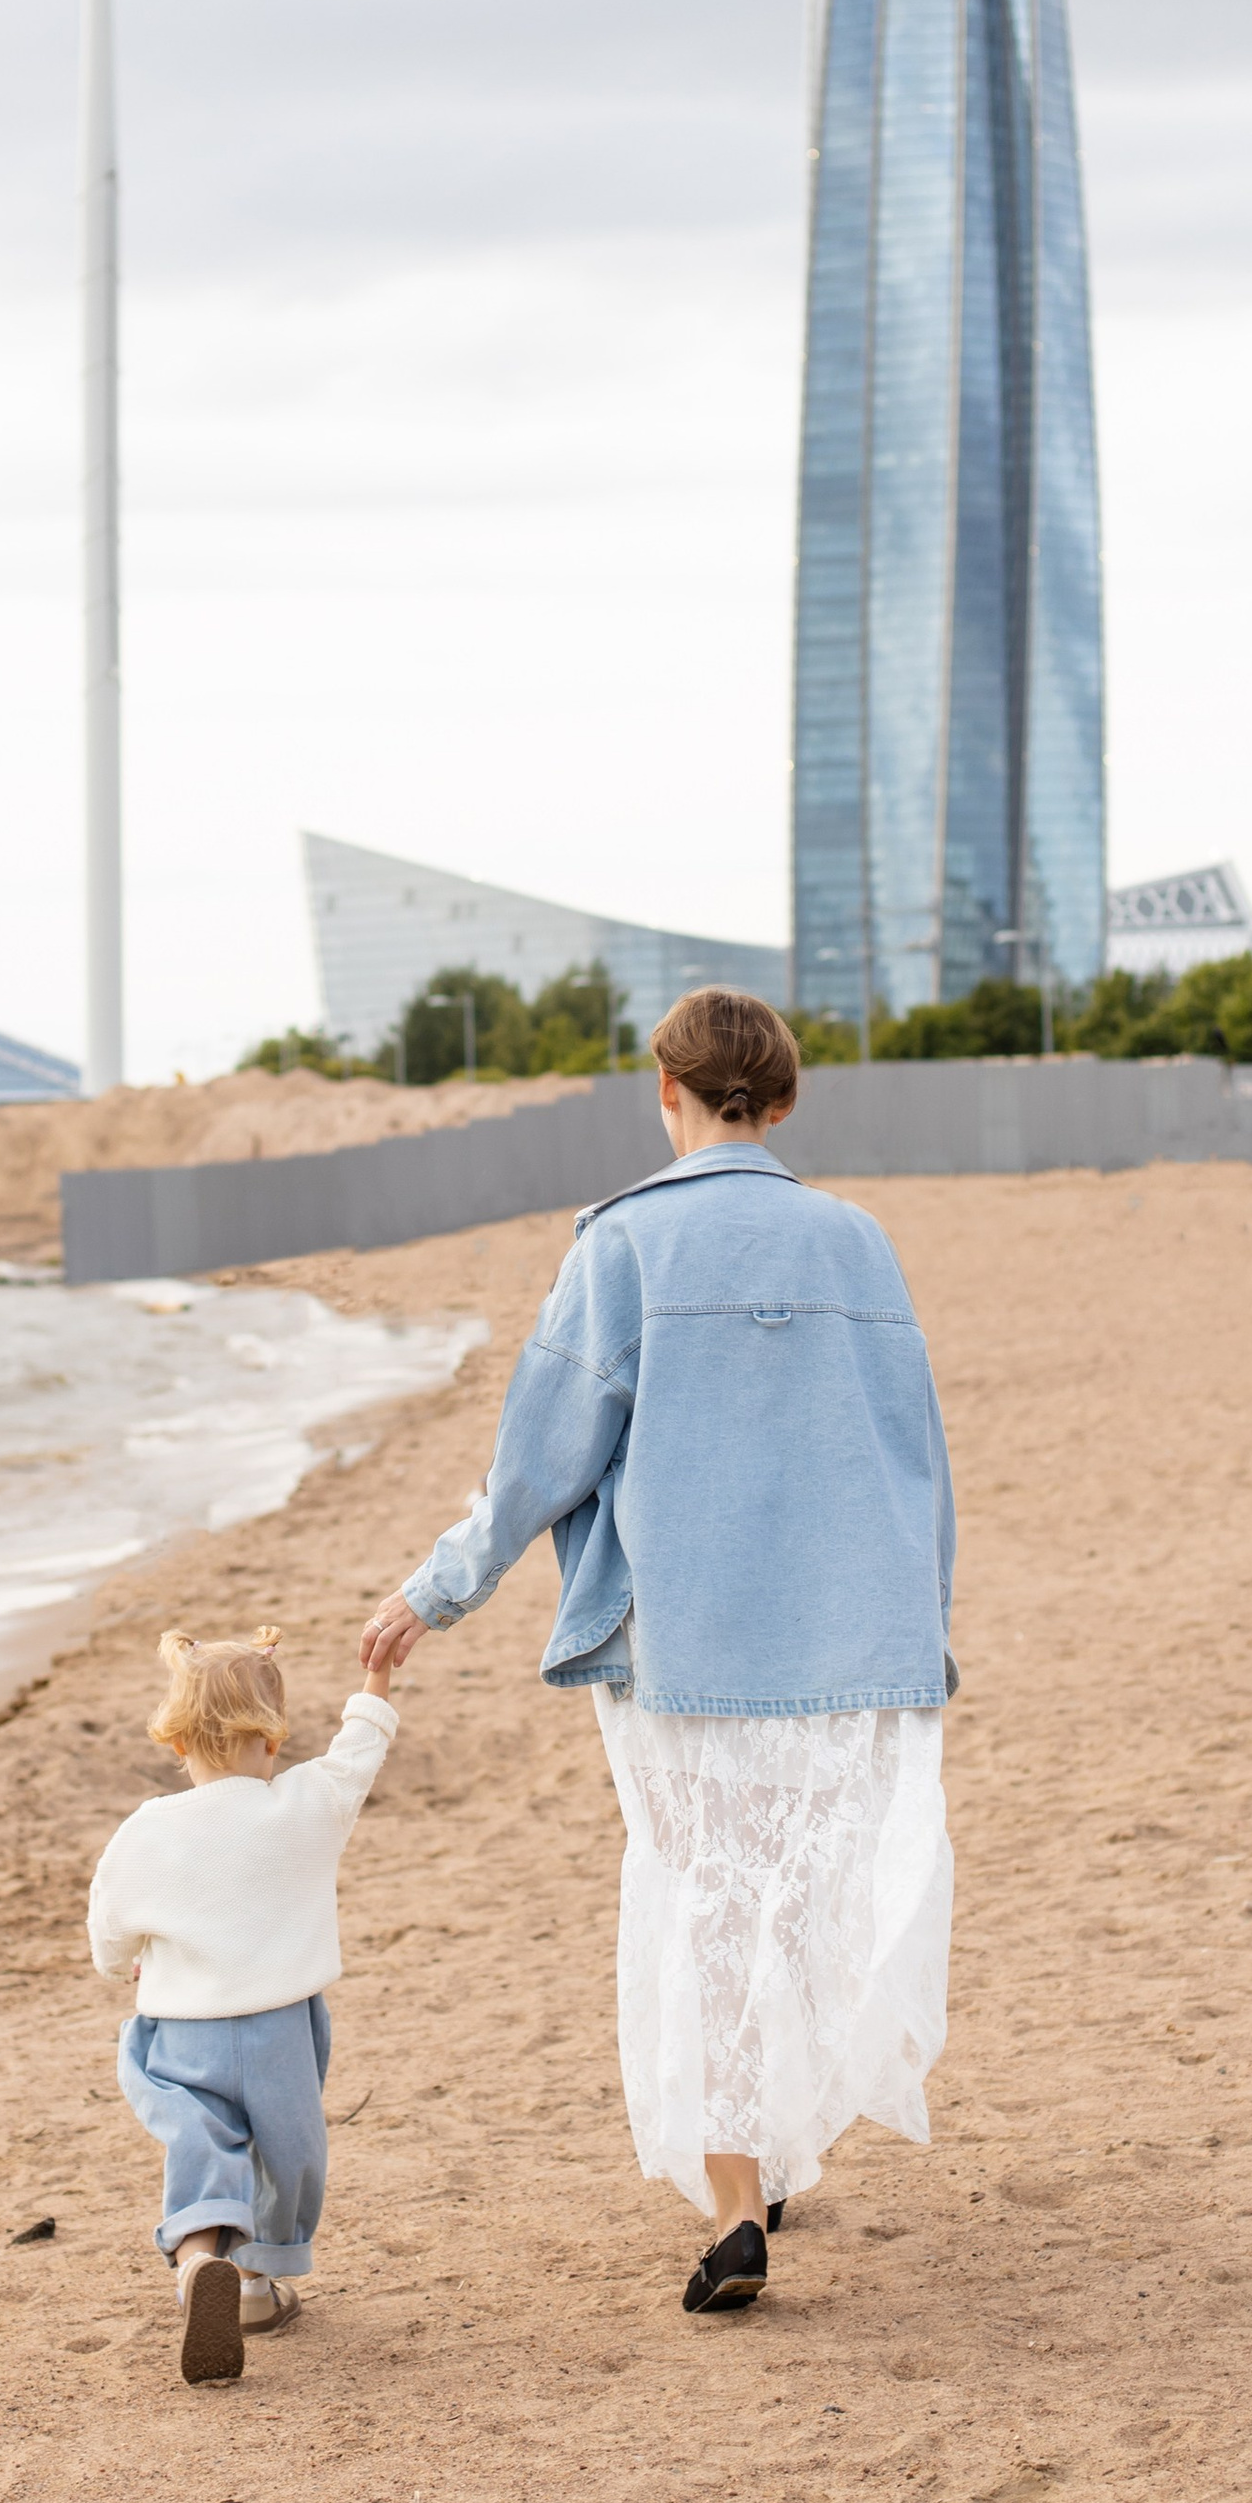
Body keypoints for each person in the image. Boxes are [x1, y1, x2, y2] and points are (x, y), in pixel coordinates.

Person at [360, 986, 955, 2320]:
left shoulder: (621, 1246)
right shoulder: (859, 1244)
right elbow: (915, 1452)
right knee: (798, 1892)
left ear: (665, 1094)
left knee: (707, 1896)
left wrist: (436, 1594)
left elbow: (540, 1458)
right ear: (787, 1101)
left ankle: (742, 2195)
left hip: (681, 1639)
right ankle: (778, 2149)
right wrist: (928, 1620)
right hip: (852, 1634)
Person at [88, 1626, 401, 2385]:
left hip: (182, 2030)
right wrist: (379, 1681)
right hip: (279, 2031)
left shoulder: (148, 1828)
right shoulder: (305, 1805)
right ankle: (255, 2286)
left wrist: (123, 1961)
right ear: (272, 1739)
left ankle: (199, 2264)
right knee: (284, 2152)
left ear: (176, 1743)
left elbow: (108, 1926)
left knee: (200, 2142)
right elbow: (358, 1755)